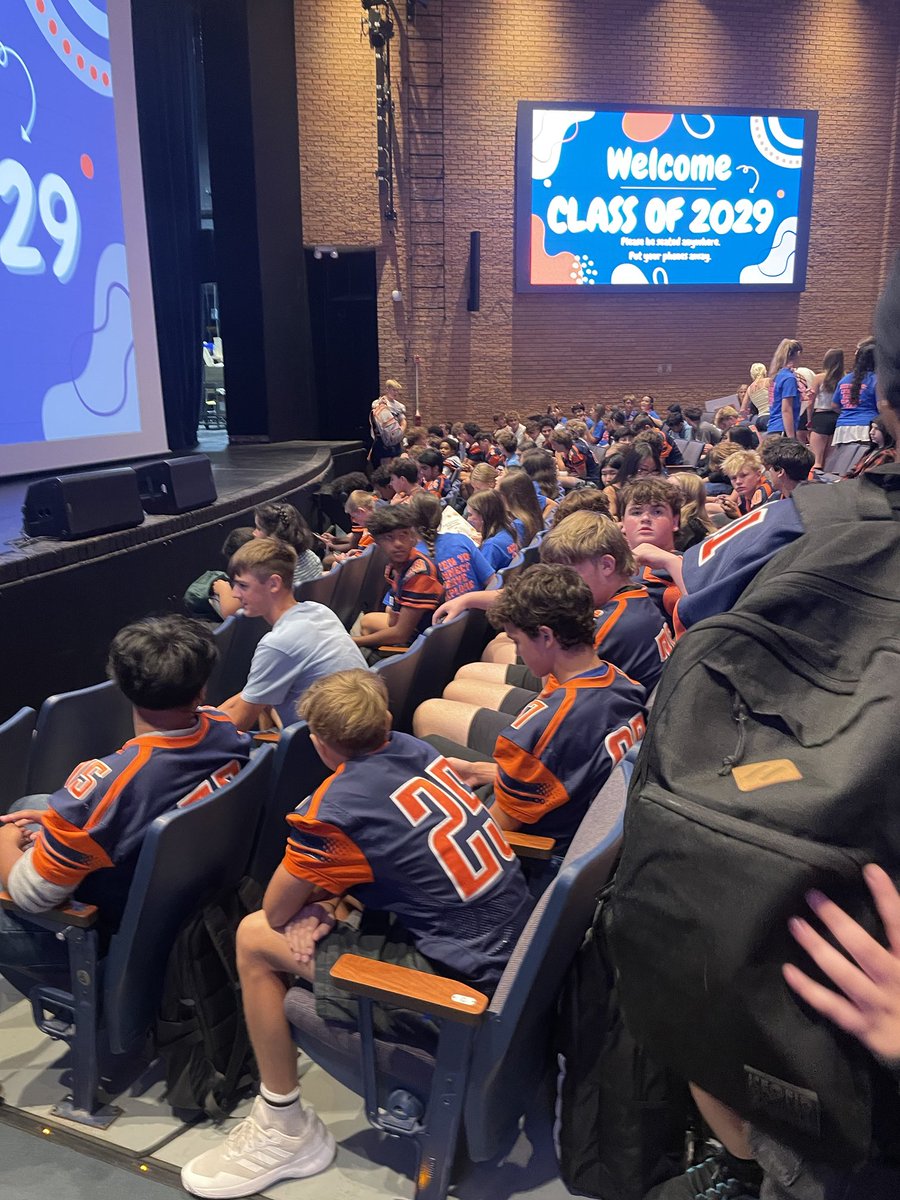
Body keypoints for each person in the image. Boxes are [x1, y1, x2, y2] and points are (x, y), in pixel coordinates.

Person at [181, 669, 530, 1199]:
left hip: (461, 993)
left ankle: (282, 1126)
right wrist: (330, 900)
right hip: (517, 960)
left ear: (320, 744)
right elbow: (398, 858)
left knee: (253, 937)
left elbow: (277, 911)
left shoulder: (334, 810)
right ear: (386, 721)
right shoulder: (419, 750)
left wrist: (319, 902)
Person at [0, 616, 253, 998]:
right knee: (30, 805)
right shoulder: (224, 729)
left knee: (15, 831)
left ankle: (84, 997)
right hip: (181, 903)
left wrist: (4, 843)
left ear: (121, 686)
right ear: (201, 689)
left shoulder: (104, 784)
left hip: (104, 932)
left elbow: (33, 895)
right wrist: (64, 824)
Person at [414, 566, 647, 889]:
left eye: (518, 641)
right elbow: (569, 770)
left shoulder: (538, 731)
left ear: (547, 636)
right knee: (437, 748)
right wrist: (482, 772)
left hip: (537, 862)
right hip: (575, 821)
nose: (519, 652)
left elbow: (495, 833)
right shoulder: (625, 684)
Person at [432, 511, 674, 703]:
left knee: (438, 704)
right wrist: (468, 599)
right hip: (594, 700)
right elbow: (536, 599)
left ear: (607, 565)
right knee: (486, 657)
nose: (561, 581)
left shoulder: (604, 628)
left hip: (579, 718)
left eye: (567, 572)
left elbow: (555, 699)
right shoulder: (631, 595)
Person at [219, 538, 366, 730]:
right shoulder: (319, 611)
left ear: (273, 583)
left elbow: (238, 723)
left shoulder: (278, 643)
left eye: (243, 586)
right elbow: (252, 692)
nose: (235, 594)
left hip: (328, 747)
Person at [353, 505, 444, 651]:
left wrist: (353, 642)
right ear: (377, 542)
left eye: (403, 535)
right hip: (411, 626)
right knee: (366, 621)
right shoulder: (399, 564)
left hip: (423, 643)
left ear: (412, 537)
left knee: (360, 636)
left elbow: (401, 634)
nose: (398, 544)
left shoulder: (419, 573)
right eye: (389, 537)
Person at [406, 491, 496, 599]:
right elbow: (492, 581)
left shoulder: (413, 558)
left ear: (410, 521)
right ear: (440, 517)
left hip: (444, 614)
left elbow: (397, 608)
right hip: (476, 611)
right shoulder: (461, 539)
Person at [253, 502, 323, 588]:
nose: (254, 533)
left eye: (258, 528)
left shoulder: (272, 574)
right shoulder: (312, 558)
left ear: (273, 536)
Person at [833, 337, 879, 447]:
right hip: (867, 427)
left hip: (842, 428)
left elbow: (834, 405)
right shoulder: (876, 379)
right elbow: (881, 405)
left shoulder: (844, 380)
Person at [807, 348, 845, 469]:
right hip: (837, 418)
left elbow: (810, 401)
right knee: (829, 462)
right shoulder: (844, 378)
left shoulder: (819, 378)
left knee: (816, 461)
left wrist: (809, 419)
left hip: (821, 417)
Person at [466, 488, 521, 570]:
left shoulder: (491, 546)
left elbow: (483, 580)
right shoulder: (510, 529)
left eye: (470, 515)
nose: (468, 519)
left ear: (483, 516)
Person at [765, 338, 804, 439]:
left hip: (773, 428)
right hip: (783, 429)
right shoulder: (789, 378)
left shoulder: (777, 376)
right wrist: (791, 438)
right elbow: (786, 409)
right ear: (798, 354)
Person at [721, 449, 774, 517]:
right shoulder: (745, 491)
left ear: (758, 475)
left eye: (743, 476)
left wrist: (737, 515)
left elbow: (758, 526)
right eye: (733, 478)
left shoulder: (763, 493)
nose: (738, 482)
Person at [671, 473, 716, 551]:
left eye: (668, 489)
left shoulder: (685, 529)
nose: (661, 492)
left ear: (683, 498)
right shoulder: (696, 522)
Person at [369, 378, 407, 466]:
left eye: (397, 391)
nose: (396, 393)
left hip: (395, 439)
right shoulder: (377, 403)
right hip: (382, 439)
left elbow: (403, 421)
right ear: (387, 389)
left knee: (395, 464)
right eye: (394, 390)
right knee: (385, 466)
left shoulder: (399, 406)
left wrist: (399, 433)